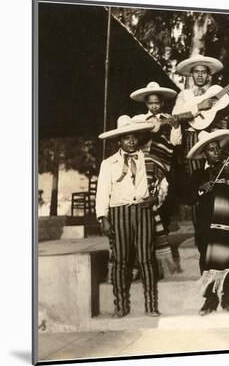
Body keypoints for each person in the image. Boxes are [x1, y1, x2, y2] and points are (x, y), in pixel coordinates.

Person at [185, 129, 229, 315]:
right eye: (211, 149)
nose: (216, 152)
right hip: (206, 226)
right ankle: (210, 298)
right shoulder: (198, 175)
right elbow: (190, 197)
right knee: (207, 260)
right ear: (204, 154)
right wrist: (201, 189)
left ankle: (228, 297)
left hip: (227, 224)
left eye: (217, 149)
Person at [95, 115, 160, 317]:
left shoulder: (148, 159)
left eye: (133, 137)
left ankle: (151, 305)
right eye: (126, 138)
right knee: (121, 260)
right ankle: (120, 305)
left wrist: (156, 198)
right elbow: (102, 191)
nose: (131, 141)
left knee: (146, 258)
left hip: (142, 211)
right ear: (119, 141)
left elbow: (162, 185)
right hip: (119, 212)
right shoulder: (109, 163)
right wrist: (103, 217)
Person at [130, 83, 183, 276]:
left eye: (157, 102)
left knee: (156, 204)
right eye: (150, 103)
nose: (154, 106)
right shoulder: (139, 119)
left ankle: (150, 263)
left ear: (162, 102)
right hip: (139, 165)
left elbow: (176, 143)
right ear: (146, 103)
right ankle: (144, 260)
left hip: (159, 165)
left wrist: (175, 126)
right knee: (143, 209)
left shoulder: (168, 119)